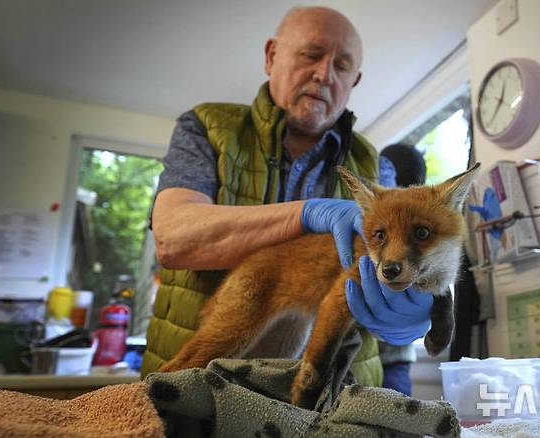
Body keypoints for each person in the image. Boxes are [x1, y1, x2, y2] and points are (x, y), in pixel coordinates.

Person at [141, 6, 434, 388]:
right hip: (194, 387)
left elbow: (397, 271)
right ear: (271, 56)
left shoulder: (372, 166)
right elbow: (173, 237)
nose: (324, 74)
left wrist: (406, 321)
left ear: (354, 81)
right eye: (311, 55)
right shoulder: (209, 129)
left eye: (342, 66)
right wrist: (307, 214)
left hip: (334, 398)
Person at [377, 143, 428, 396]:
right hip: (398, 353)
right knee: (397, 413)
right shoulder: (421, 226)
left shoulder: (385, 222)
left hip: (385, 350)